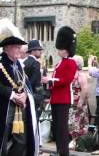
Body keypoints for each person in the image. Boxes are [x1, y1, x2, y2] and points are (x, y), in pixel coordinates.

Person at [0, 18, 39, 155]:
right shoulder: (1, 64)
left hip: (20, 107)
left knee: (21, 141)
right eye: (16, 47)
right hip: (5, 108)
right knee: (2, 140)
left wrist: (25, 96)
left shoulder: (19, 66)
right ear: (7, 48)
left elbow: (26, 85)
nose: (20, 50)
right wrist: (12, 95)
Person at [41, 26, 77, 156]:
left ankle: (64, 153)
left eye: (60, 49)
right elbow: (58, 79)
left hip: (63, 99)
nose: (58, 51)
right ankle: (59, 151)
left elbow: (65, 80)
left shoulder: (70, 63)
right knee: (57, 128)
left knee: (62, 129)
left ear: (66, 50)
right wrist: (49, 81)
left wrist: (50, 81)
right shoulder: (60, 63)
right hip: (56, 99)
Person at [68, 55, 89, 149]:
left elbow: (84, 89)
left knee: (78, 123)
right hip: (71, 102)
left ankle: (77, 143)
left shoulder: (81, 74)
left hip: (78, 103)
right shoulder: (72, 73)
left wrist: (81, 101)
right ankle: (73, 141)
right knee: (72, 123)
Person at [23, 39, 44, 120]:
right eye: (39, 50)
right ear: (33, 51)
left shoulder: (25, 62)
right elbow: (34, 81)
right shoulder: (36, 63)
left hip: (26, 94)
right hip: (34, 95)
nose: (40, 52)